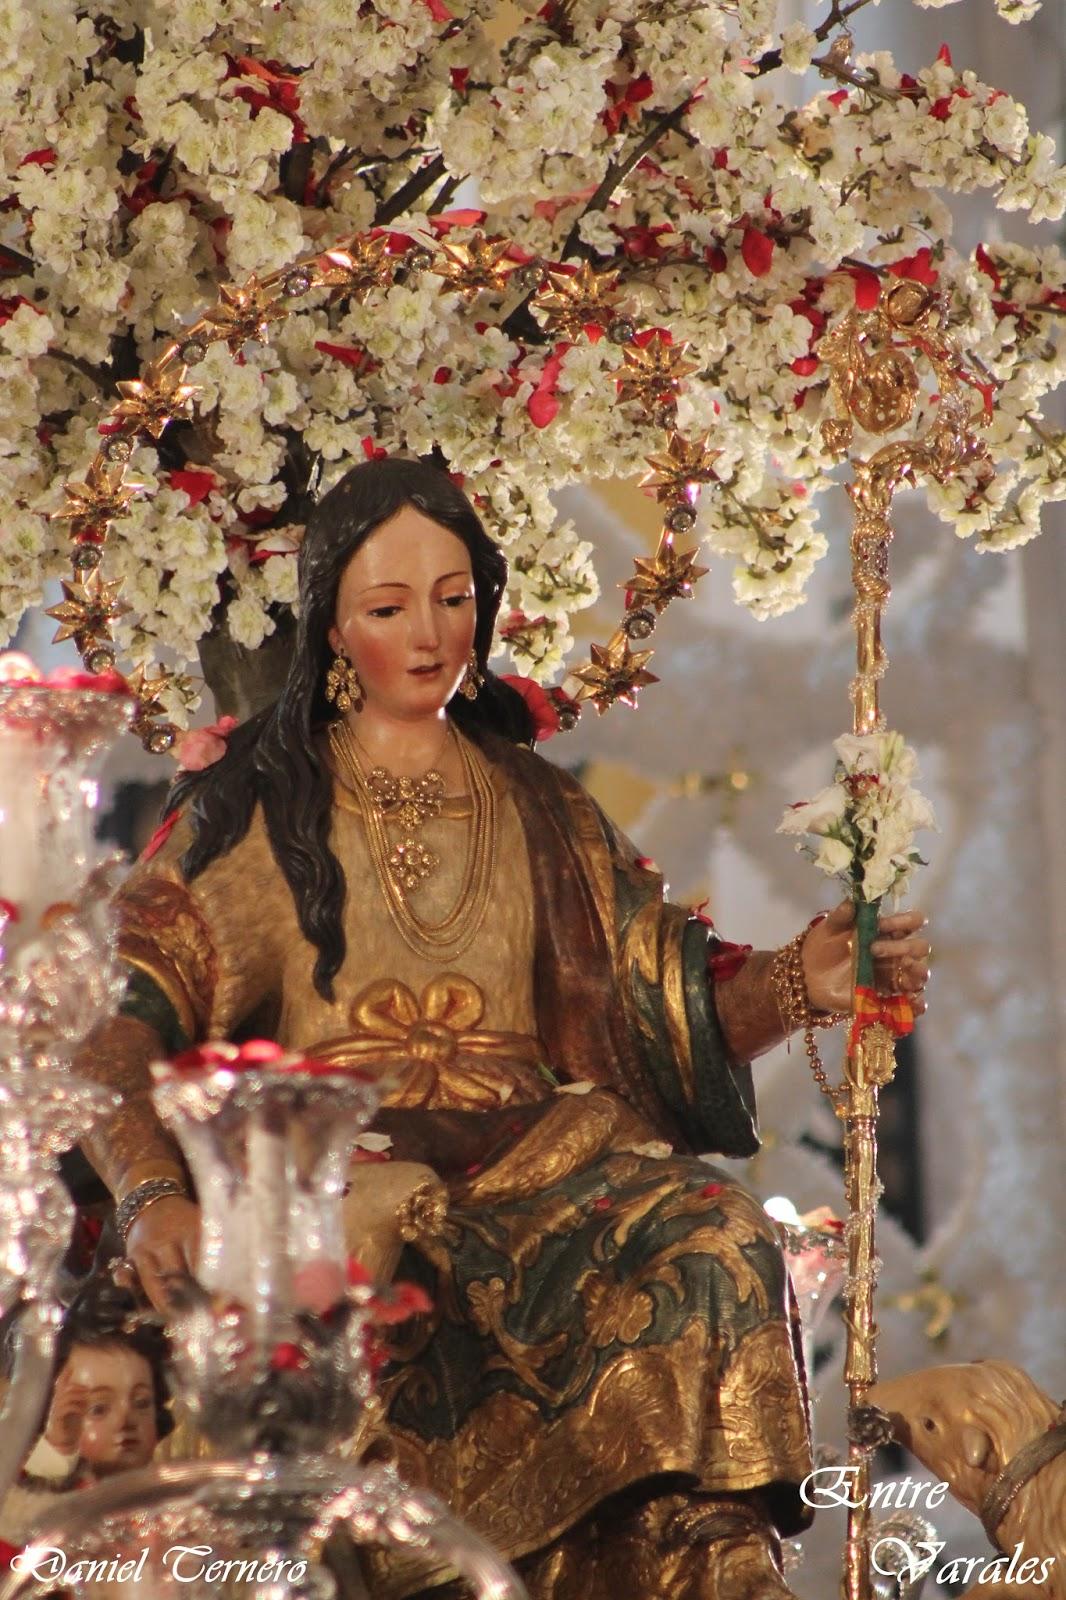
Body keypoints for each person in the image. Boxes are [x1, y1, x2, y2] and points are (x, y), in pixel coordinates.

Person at [73, 457, 929, 1600]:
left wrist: (796, 981)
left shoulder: (536, 801)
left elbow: (655, 1002)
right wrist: (149, 1193)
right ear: (332, 628)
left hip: (545, 1167)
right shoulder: (260, 811)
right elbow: (112, 1025)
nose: (430, 634)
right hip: (344, 1175)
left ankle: (710, 1558)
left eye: (454, 597)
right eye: (389, 608)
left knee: (721, 1237)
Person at [0, 1279, 169, 1546]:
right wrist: (57, 1452)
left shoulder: (174, 1508)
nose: (125, 1420)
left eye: (141, 1403)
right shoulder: (39, 1515)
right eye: (99, 1408)